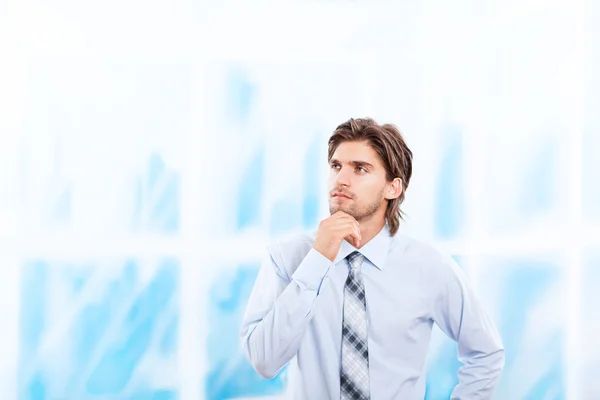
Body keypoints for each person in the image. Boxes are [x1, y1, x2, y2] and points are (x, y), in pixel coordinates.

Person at [239, 117, 505, 399]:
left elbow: (486, 352)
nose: (341, 179)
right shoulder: (287, 258)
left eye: (360, 169)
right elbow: (264, 361)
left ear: (393, 188)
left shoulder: (429, 267)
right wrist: (317, 260)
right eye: (336, 166)